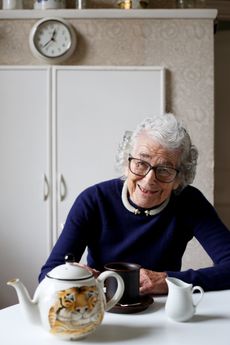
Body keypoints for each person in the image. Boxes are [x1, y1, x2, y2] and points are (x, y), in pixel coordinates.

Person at [39, 113, 230, 294]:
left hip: (164, 309)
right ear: (126, 162)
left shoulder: (190, 202)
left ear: (180, 179)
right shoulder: (94, 200)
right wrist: (76, 277)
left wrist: (167, 280)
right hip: (106, 309)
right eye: (141, 163)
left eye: (164, 169)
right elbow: (47, 276)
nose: (149, 180)